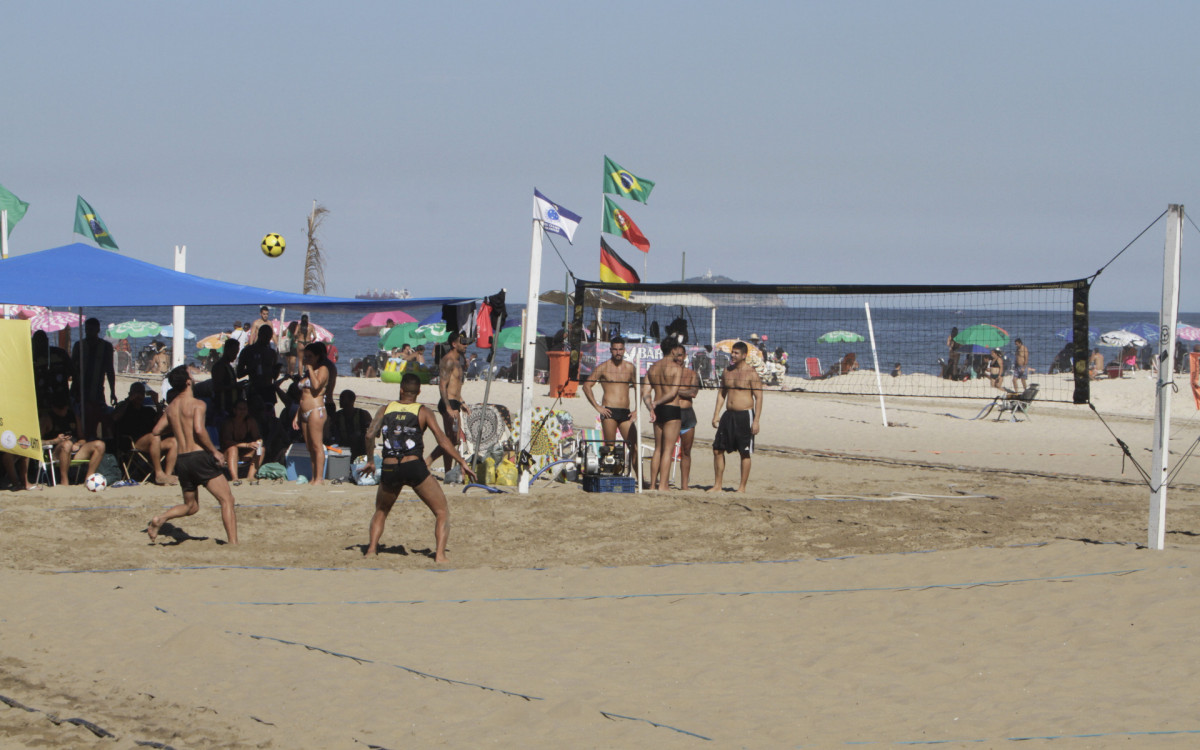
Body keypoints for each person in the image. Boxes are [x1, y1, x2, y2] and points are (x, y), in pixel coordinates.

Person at [363, 372, 476, 563]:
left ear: (401, 389)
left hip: (390, 466)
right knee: (441, 511)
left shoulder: (385, 409)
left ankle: (371, 550)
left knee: (381, 511)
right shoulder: (423, 411)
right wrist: (462, 461)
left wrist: (370, 461)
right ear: (419, 392)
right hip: (414, 466)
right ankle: (440, 555)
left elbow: (369, 435)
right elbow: (443, 440)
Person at [147, 366, 239, 545]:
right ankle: (233, 543)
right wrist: (214, 451)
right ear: (188, 381)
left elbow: (156, 430)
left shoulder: (171, 408)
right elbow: (198, 429)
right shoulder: (198, 404)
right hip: (198, 456)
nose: (194, 376)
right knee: (227, 499)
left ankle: (161, 518)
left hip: (182, 461)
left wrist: (177, 425)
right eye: (191, 373)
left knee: (191, 506)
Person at [709, 341, 762, 493]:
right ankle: (717, 485)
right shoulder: (727, 371)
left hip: (745, 415)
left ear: (744, 355)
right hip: (728, 415)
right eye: (732, 352)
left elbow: (759, 397)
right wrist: (716, 414)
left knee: (744, 452)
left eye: (736, 353)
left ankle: (742, 487)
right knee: (717, 449)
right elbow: (721, 394)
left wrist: (756, 421)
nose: (733, 355)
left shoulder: (751, 373)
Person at [582, 336, 639, 474]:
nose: (618, 352)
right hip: (609, 411)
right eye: (615, 349)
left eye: (620, 349)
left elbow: (639, 388)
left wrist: (637, 409)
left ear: (624, 350)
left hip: (625, 412)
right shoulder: (603, 368)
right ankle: (610, 475)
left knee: (634, 446)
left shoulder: (630, 368)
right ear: (610, 350)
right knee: (610, 447)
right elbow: (586, 386)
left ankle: (641, 479)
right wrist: (597, 406)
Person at [113, 381, 178, 485]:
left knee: (173, 441)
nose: (139, 396)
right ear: (130, 393)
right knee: (154, 437)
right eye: (137, 392)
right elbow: (115, 418)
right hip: (132, 442)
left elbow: (160, 422)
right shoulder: (124, 407)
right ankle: (159, 474)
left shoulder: (147, 410)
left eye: (142, 393)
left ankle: (167, 475)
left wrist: (156, 403)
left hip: (152, 443)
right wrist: (129, 401)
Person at [642, 337, 683, 491]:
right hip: (671, 409)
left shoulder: (653, 368)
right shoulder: (676, 368)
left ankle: (653, 484)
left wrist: (651, 408)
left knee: (658, 448)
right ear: (673, 350)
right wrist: (657, 403)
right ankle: (663, 485)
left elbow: (645, 392)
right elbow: (673, 392)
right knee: (668, 449)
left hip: (658, 410)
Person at [428, 331, 472, 473]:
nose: (465, 345)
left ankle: (447, 471)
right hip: (448, 403)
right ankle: (427, 461)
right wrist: (447, 407)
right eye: (462, 342)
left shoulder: (458, 361)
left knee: (452, 440)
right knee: (451, 440)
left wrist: (462, 402)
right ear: (454, 344)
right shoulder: (448, 360)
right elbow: (442, 385)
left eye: (466, 342)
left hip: (455, 402)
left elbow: (455, 386)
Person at [292, 342, 335, 484]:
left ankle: (319, 478)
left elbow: (316, 387)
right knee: (309, 446)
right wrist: (297, 415)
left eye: (310, 357)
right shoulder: (307, 373)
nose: (306, 359)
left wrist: (310, 368)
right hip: (304, 411)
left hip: (316, 410)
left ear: (317, 357)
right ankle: (313, 476)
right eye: (305, 357)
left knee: (317, 445)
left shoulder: (323, 369)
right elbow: (302, 396)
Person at [41, 394, 107, 485]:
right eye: (59, 409)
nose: (62, 411)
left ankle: (88, 480)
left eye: (64, 408)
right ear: (53, 408)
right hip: (56, 452)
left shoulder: (73, 416)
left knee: (100, 445)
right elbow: (38, 441)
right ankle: (64, 480)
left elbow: (82, 439)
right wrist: (55, 441)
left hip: (74, 450)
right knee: (67, 444)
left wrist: (78, 444)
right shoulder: (47, 419)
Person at [70, 317, 116, 440]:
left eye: (91, 329)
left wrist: (113, 392)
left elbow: (110, 370)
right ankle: (82, 439)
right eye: (87, 329)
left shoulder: (106, 346)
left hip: (96, 391)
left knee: (98, 417)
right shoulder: (79, 345)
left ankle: (94, 439)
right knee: (80, 416)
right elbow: (72, 368)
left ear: (98, 330)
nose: (88, 332)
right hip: (79, 390)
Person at [237, 324, 281, 438]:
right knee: (254, 418)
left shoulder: (271, 353)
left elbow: (274, 376)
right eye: (265, 336)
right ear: (259, 335)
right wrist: (252, 369)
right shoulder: (248, 351)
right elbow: (239, 373)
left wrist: (277, 369)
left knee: (269, 420)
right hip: (254, 389)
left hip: (268, 390)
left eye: (269, 337)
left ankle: (267, 442)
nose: (267, 339)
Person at [219, 399, 263, 481]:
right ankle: (235, 478)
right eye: (240, 409)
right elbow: (227, 442)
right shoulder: (228, 423)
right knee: (233, 449)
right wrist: (247, 445)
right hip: (227, 453)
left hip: (244, 453)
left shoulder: (250, 422)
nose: (242, 411)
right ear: (234, 410)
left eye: (245, 409)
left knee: (262, 449)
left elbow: (257, 437)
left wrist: (259, 442)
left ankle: (251, 476)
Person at [676, 345, 700, 490]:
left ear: (685, 356)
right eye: (675, 355)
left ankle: (684, 485)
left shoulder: (691, 374)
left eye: (680, 355)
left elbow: (693, 392)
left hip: (687, 414)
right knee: (665, 450)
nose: (678, 358)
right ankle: (661, 483)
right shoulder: (668, 373)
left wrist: (676, 390)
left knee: (686, 451)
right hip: (672, 414)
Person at [31, 330, 71, 414]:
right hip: (41, 402)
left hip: (61, 400)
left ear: (47, 341)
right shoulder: (32, 358)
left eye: (42, 341)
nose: (40, 345)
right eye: (37, 342)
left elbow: (71, 371)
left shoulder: (60, 354)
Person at [330, 389, 372, 461]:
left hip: (360, 449)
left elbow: (374, 432)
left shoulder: (363, 414)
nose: (340, 400)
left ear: (352, 400)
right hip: (343, 448)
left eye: (343, 398)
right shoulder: (337, 416)